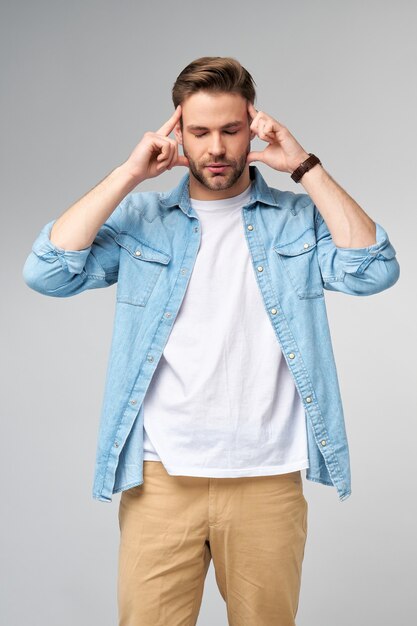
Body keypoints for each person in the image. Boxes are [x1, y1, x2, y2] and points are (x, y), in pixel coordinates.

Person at [22, 56, 400, 625]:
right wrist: (129, 174)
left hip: (267, 479)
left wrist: (303, 164)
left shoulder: (297, 220)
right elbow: (48, 271)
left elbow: (374, 269)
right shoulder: (143, 219)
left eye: (230, 130)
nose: (216, 148)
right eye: (199, 132)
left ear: (254, 128)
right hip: (160, 481)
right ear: (177, 133)